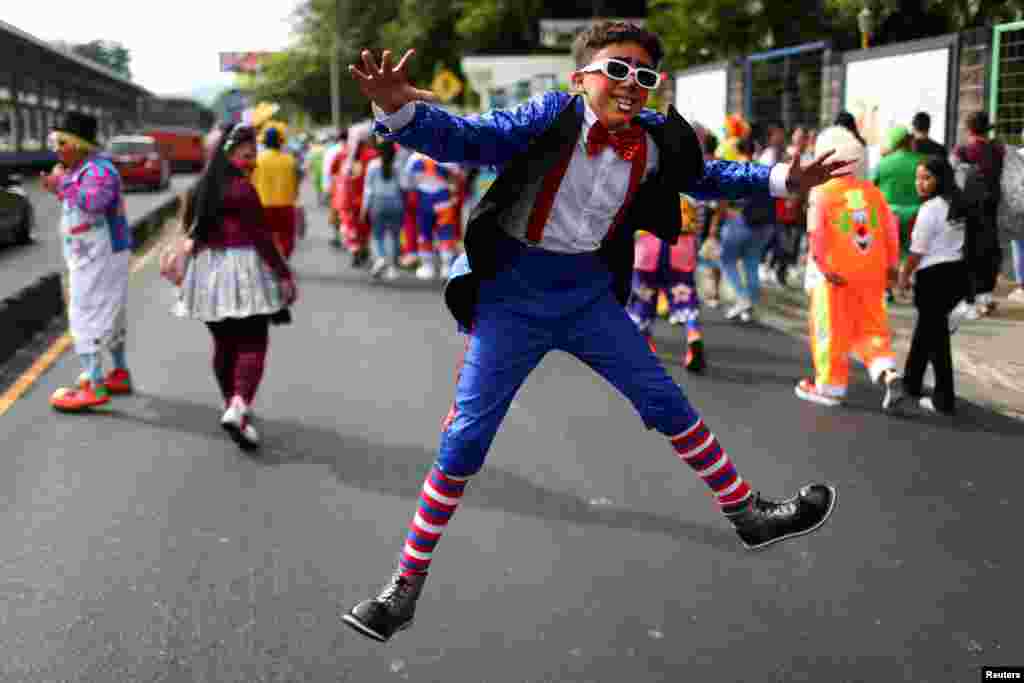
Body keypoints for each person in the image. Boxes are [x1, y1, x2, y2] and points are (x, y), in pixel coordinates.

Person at [342, 22, 848, 643]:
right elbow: (468, 139)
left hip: (586, 292)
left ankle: (748, 514)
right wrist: (397, 109)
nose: (630, 85)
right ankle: (403, 589)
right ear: (581, 78)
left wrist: (782, 181)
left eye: (643, 75)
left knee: (665, 401)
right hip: (513, 292)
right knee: (466, 440)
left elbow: (705, 174)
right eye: (616, 69)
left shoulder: (659, 140)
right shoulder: (552, 117)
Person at [173, 124, 297, 450]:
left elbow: (190, 232)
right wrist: (284, 275)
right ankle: (239, 405)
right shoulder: (242, 190)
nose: (253, 162)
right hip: (242, 271)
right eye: (247, 155)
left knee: (224, 344)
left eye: (253, 155)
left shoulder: (199, 188)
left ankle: (231, 402)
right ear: (228, 153)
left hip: (206, 275)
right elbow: (262, 238)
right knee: (254, 341)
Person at [795, 126, 903, 410]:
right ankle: (887, 370)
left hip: (835, 274)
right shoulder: (872, 192)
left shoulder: (821, 193)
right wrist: (892, 265)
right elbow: (891, 230)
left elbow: (815, 234)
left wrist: (822, 266)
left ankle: (830, 386)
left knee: (829, 327)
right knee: (871, 326)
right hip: (872, 272)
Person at [43, 112, 134, 411]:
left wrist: (61, 184)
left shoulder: (98, 171)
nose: (56, 148)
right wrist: (61, 184)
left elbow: (93, 203)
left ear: (78, 145)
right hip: (95, 254)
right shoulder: (84, 169)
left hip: (100, 255)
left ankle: (95, 385)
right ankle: (118, 373)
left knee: (84, 314)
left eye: (61, 142)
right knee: (110, 312)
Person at [895, 156, 969, 416]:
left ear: (940, 178)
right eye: (918, 177)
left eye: (926, 178)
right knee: (927, 332)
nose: (920, 183)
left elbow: (916, 252)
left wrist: (903, 277)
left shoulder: (930, 209)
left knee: (936, 340)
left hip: (932, 277)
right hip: (955, 274)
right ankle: (912, 383)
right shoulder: (957, 203)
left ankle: (943, 398)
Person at [628, 194, 706, 372]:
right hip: (681, 244)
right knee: (684, 296)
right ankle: (693, 335)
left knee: (643, 298)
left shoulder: (646, 179)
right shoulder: (697, 183)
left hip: (648, 245)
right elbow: (699, 223)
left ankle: (647, 348)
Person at [953, 111, 1005, 317]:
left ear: (969, 129)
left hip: (972, 207)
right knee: (989, 249)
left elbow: (951, 171)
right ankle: (985, 296)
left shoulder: (965, 149)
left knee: (971, 252)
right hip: (992, 206)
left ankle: (970, 302)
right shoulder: (998, 149)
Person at [720, 136, 775, 322]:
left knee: (727, 261)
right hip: (765, 224)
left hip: (739, 221)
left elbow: (724, 197)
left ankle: (742, 298)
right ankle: (749, 305)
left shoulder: (735, 169)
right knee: (751, 263)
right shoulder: (762, 170)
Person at [404, 151, 460, 279]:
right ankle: (445, 266)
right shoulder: (448, 154)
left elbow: (408, 180)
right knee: (445, 232)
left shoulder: (415, 157)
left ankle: (429, 266)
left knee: (425, 233)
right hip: (442, 198)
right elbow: (456, 175)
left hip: (425, 199)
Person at [251, 127, 300, 260]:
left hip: (263, 205)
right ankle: (283, 259)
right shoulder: (290, 160)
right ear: (280, 142)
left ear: (265, 142)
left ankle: (269, 261)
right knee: (286, 237)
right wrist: (295, 195)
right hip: (286, 204)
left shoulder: (257, 160)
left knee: (265, 236)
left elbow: (251, 183)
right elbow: (296, 181)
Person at [872, 125, 923, 252]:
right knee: (912, 251)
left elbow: (869, 187)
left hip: (889, 216)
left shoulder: (883, 163)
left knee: (891, 254)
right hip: (915, 216)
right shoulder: (921, 161)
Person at [361, 138, 405, 280]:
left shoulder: (373, 165)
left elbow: (368, 189)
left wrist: (364, 208)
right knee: (394, 236)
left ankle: (380, 258)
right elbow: (403, 186)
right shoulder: (398, 166)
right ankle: (392, 267)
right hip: (396, 203)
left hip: (378, 203)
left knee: (378, 235)